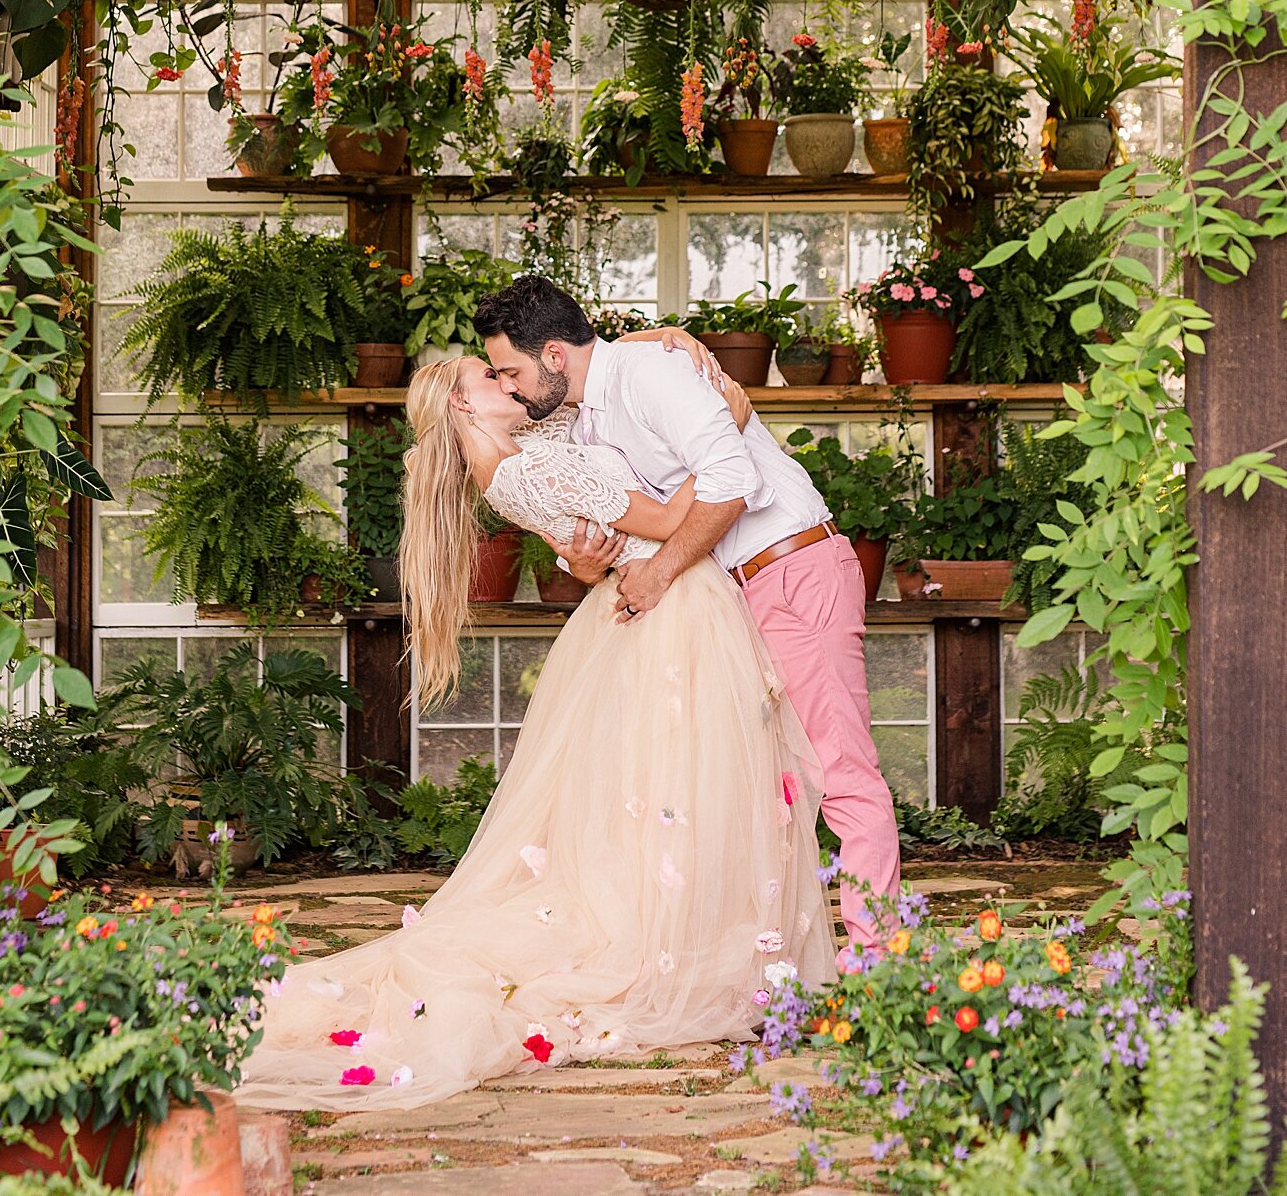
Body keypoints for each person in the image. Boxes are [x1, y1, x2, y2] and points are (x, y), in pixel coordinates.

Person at [237, 345, 833, 1112]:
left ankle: (683, 941)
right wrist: (731, 425)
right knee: (685, 784)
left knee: (656, 794)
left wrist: (665, 344)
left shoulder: (527, 455)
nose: (510, 382)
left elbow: (594, 480)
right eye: (492, 378)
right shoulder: (524, 471)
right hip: (671, 608)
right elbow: (660, 517)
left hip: (641, 607)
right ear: (463, 404)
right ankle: (673, 950)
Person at [474, 275, 901, 953]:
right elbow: (614, 517)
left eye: (512, 371)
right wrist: (582, 564)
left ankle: (880, 964)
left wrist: (659, 571)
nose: (511, 388)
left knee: (841, 771)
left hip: (790, 573)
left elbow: (734, 482)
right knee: (753, 787)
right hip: (725, 599)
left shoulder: (651, 377)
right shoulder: (585, 414)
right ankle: (764, 966)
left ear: (554, 355)